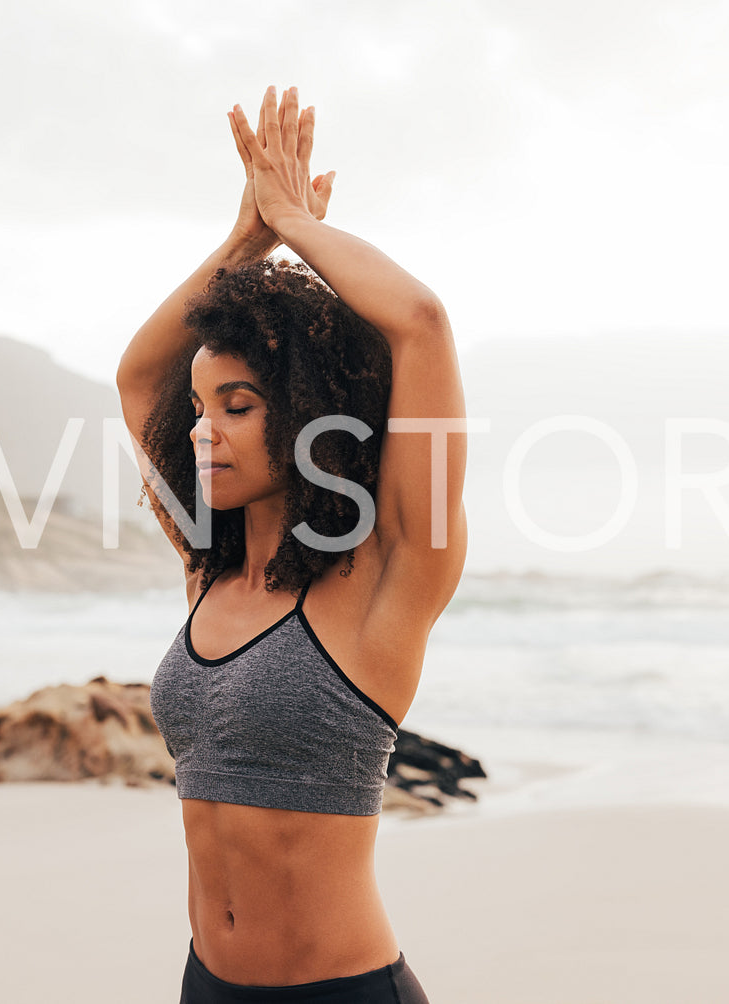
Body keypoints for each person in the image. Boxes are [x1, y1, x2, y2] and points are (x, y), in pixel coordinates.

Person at [116, 85, 467, 1004]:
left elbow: (418, 321)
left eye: (238, 406)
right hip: (207, 985)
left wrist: (294, 225)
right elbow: (139, 375)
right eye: (200, 411)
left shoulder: (383, 575)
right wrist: (243, 242)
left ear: (311, 415)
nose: (202, 431)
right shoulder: (204, 562)